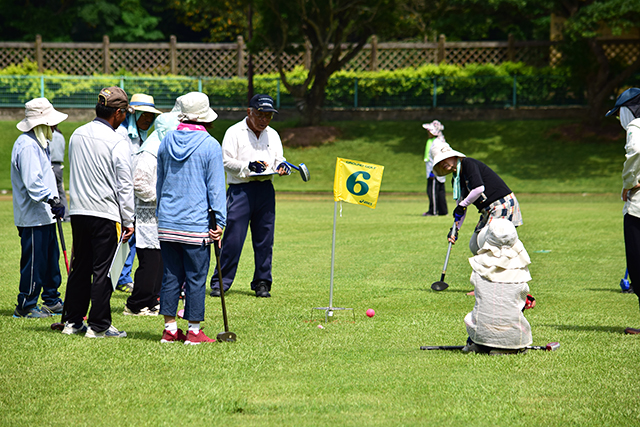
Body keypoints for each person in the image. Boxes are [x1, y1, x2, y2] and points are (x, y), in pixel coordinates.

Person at [60, 87, 135, 338]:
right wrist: (128, 219)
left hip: (79, 210)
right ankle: (99, 325)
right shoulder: (118, 140)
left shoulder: (77, 134)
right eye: (125, 113)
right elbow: (124, 183)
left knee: (80, 267)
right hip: (106, 211)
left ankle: (72, 321)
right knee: (104, 270)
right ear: (118, 112)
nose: (125, 118)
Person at [156, 92, 226, 344]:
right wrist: (220, 222)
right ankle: (194, 332)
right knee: (196, 277)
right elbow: (216, 188)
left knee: (171, 275)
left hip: (167, 221)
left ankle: (170, 329)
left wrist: (160, 215)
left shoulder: (165, 141)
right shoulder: (210, 145)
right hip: (195, 224)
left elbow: (160, 182)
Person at [209, 94, 290, 298]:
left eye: (268, 116)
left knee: (264, 238)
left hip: (265, 190)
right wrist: (247, 166)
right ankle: (221, 282)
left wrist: (281, 166)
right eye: (260, 114)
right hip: (240, 190)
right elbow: (225, 161)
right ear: (249, 112)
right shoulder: (234, 132)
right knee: (234, 239)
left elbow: (279, 159)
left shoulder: (272, 134)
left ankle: (262, 282)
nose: (264, 120)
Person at [11, 98, 68, 318]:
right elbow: (32, 182)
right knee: (34, 263)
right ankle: (25, 304)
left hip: (45, 216)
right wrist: (52, 200)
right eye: (51, 122)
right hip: (33, 216)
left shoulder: (40, 143)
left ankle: (51, 300)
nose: (54, 126)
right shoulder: (26, 145)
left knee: (50, 261)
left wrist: (54, 202)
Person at [124, 112, 179, 316]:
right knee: (150, 261)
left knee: (160, 260)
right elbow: (138, 183)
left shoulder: (161, 148)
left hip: (160, 216)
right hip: (148, 215)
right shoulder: (149, 152)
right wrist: (161, 198)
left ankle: (152, 299)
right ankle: (136, 303)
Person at [432, 143, 523, 255]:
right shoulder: (456, 180)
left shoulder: (468, 164)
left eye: (444, 159)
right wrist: (455, 229)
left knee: (489, 243)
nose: (442, 163)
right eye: (439, 162)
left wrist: (462, 205)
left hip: (502, 204)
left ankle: (509, 267)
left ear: (453, 156)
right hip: (487, 210)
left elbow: (479, 188)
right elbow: (461, 208)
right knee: (475, 245)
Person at [462, 218, 534, 355]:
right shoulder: (520, 270)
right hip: (513, 335)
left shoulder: (479, 266)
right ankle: (506, 346)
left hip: (481, 332)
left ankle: (478, 344)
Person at [115, 93, 163, 294]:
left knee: (134, 238)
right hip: (122, 195)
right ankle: (116, 276)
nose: (147, 119)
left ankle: (123, 277)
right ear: (133, 114)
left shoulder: (144, 136)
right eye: (143, 114)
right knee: (122, 238)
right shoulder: (122, 134)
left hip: (137, 199)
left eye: (150, 116)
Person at [605, 87, 640, 335]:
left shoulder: (635, 128)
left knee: (637, 265)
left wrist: (630, 183)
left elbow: (635, 152)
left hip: (638, 208)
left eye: (620, 114)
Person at [422, 120, 448, 216]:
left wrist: (433, 170)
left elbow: (436, 156)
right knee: (440, 191)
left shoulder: (437, 142)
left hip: (435, 171)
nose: (428, 133)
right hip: (439, 171)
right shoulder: (439, 140)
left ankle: (433, 211)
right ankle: (443, 211)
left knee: (432, 191)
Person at [50, 125, 70, 221]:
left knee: (51, 191)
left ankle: (52, 216)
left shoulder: (49, 135)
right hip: (59, 166)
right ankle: (66, 215)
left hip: (50, 165)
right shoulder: (61, 136)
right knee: (61, 191)